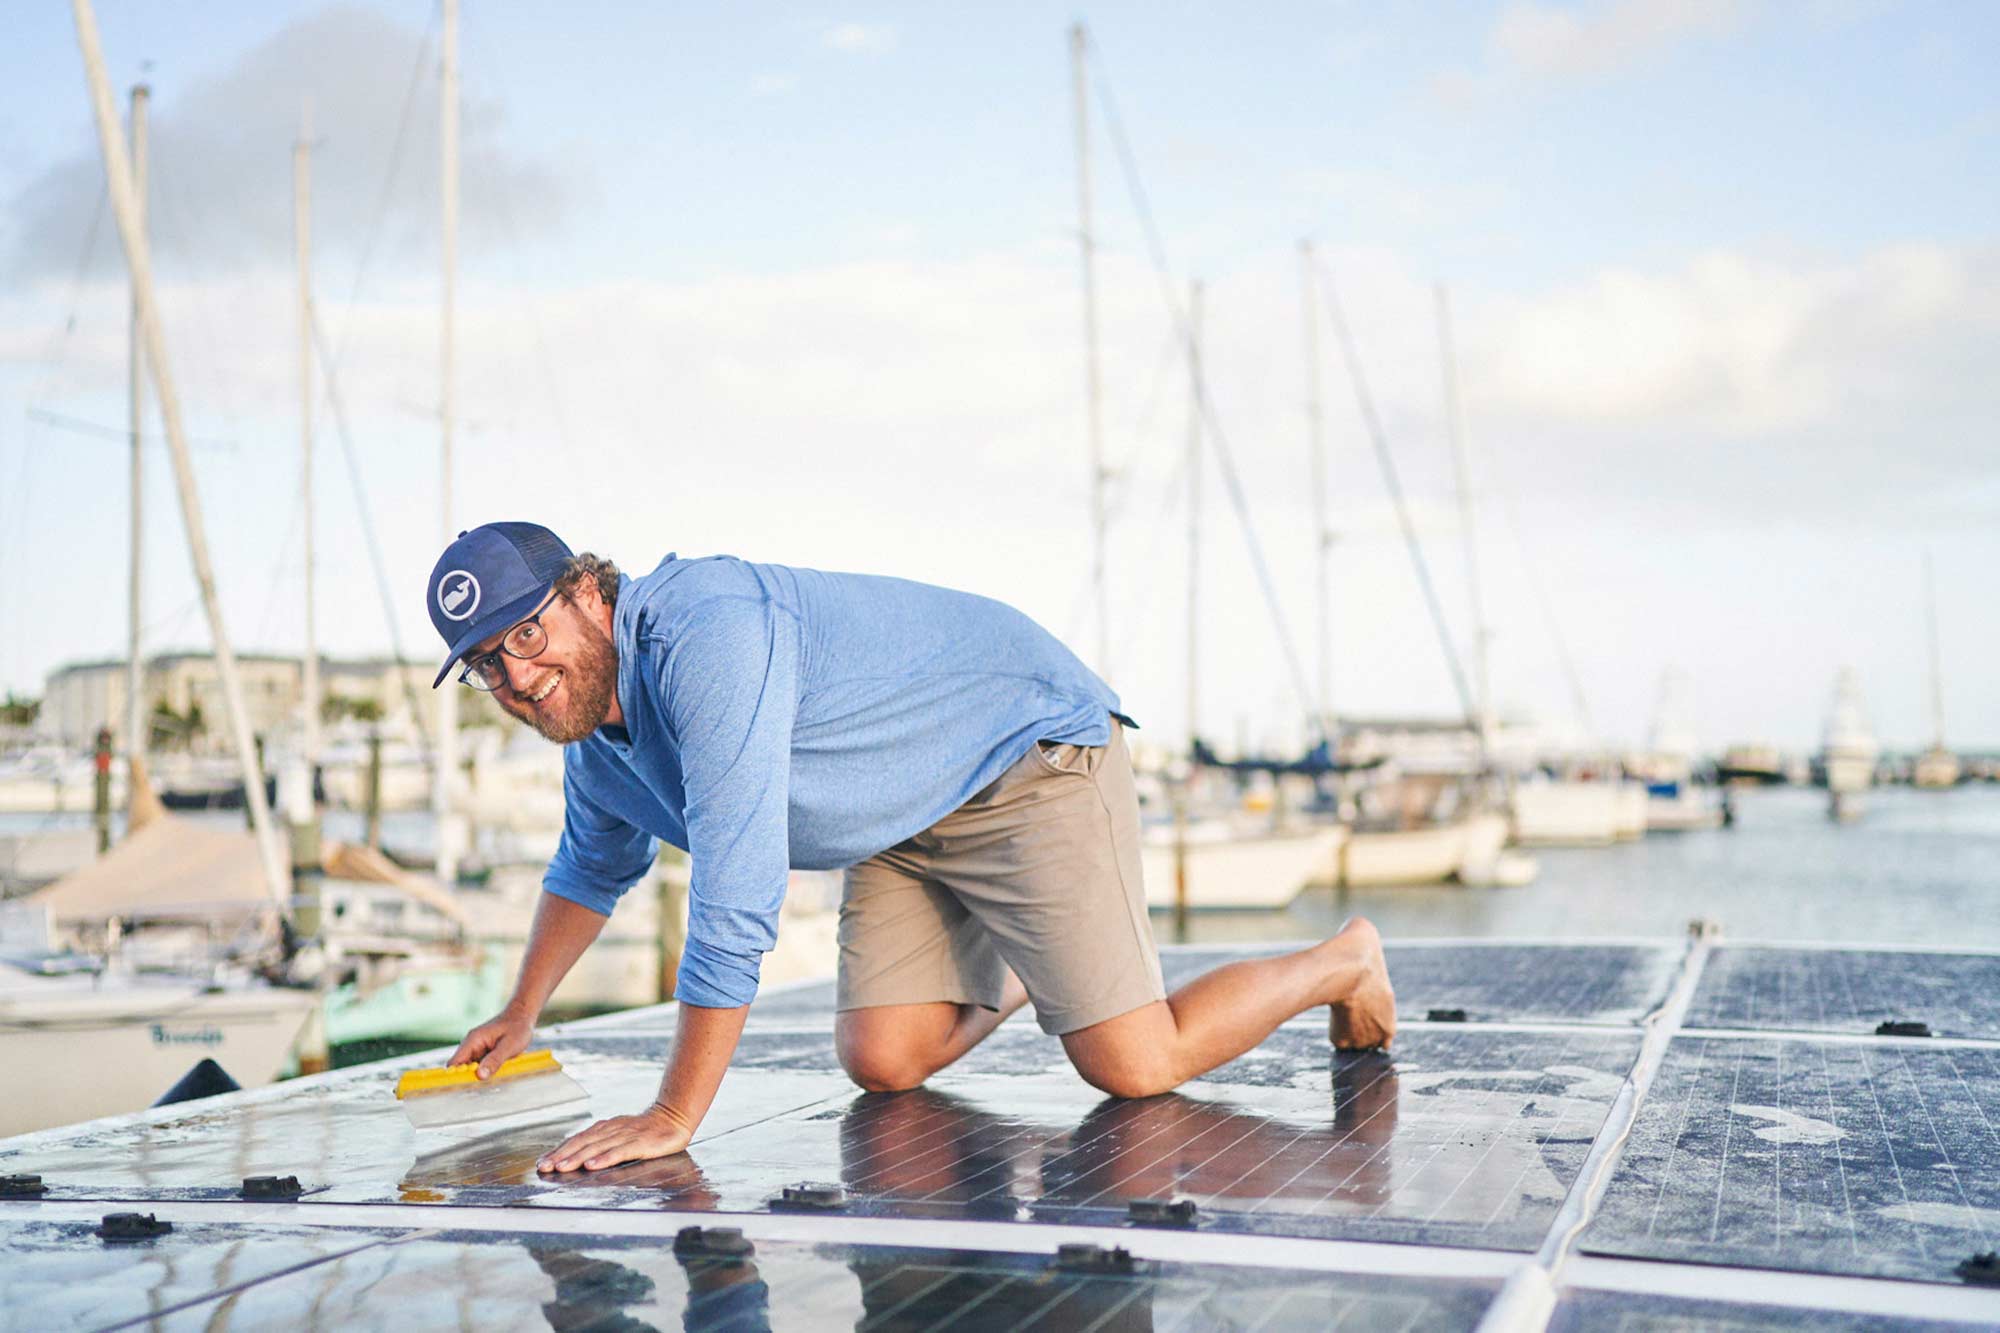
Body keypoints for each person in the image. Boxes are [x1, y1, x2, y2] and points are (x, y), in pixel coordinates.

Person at [431, 521, 1395, 1174]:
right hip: (899, 815)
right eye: (486, 665)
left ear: (590, 593)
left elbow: (736, 894)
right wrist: (523, 1010)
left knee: (1134, 1063)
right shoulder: (594, 746)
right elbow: (590, 870)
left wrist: (674, 1116)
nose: (517, 677)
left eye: (526, 632)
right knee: (884, 1059)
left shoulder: (704, 634)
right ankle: (1035, 963)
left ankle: (1343, 959)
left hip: (1020, 751)